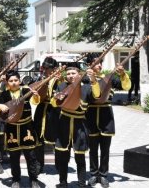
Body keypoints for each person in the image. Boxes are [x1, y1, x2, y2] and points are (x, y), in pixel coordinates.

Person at [85, 53, 130, 187]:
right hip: (91, 115)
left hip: (106, 116)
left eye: (100, 62)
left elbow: (126, 87)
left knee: (105, 149)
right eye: (96, 62)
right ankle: (93, 174)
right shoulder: (85, 79)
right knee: (93, 149)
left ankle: (103, 175)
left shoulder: (108, 78)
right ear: (89, 65)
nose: (99, 65)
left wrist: (122, 74)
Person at [51, 65, 100, 188]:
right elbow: (53, 103)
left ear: (79, 74)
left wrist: (93, 80)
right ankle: (63, 183)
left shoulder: (86, 87)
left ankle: (82, 184)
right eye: (68, 74)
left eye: (73, 73)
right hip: (64, 123)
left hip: (80, 124)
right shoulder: (62, 86)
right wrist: (57, 98)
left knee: (80, 157)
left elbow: (97, 95)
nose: (70, 76)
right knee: (63, 157)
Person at [0, 70, 41, 188]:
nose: (14, 83)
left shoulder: (26, 91)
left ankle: (33, 179)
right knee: (14, 157)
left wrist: (36, 95)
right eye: (11, 81)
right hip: (12, 129)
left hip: (27, 127)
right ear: (7, 82)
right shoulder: (4, 94)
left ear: (19, 81)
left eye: (16, 80)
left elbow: (35, 101)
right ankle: (16, 179)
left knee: (31, 156)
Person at [32, 57, 60, 173]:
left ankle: (60, 164)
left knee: (56, 137)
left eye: (48, 68)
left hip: (55, 110)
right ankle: (39, 164)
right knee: (39, 137)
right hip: (41, 108)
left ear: (54, 68)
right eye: (44, 68)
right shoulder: (40, 78)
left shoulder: (60, 79)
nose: (45, 70)